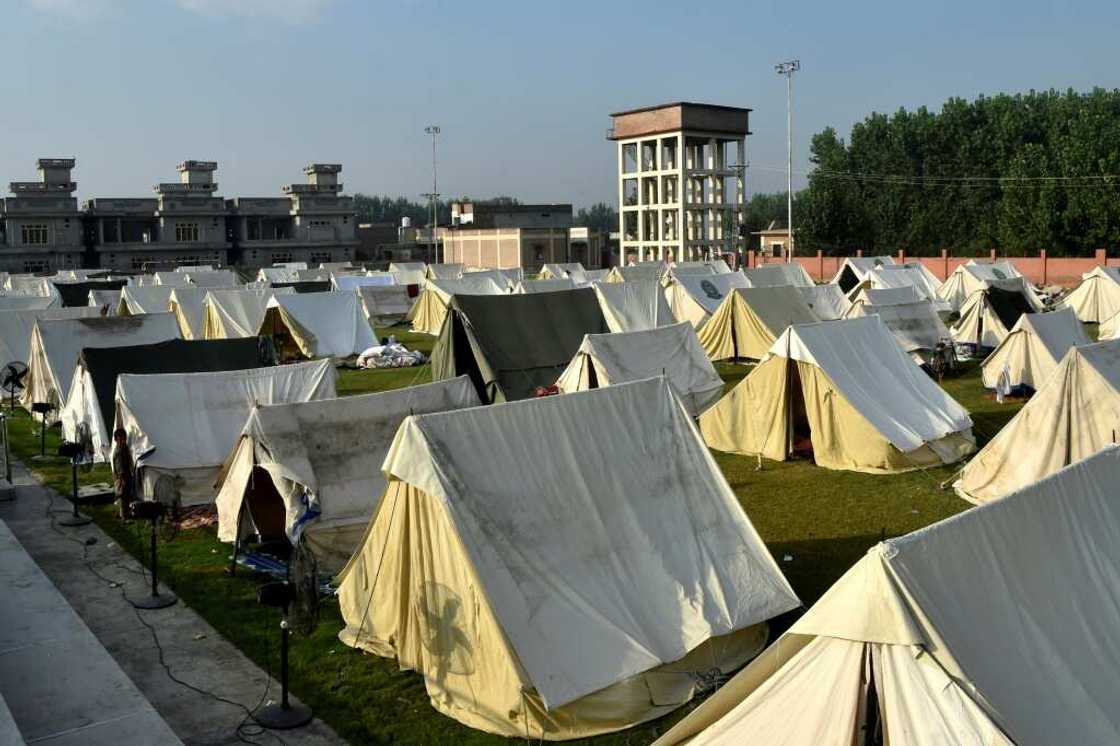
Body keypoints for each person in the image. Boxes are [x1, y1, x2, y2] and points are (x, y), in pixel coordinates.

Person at [111, 428, 136, 521]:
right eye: (120, 438)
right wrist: (122, 479)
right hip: (121, 476)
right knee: (122, 495)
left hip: (127, 474)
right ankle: (123, 517)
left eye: (123, 438)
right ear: (116, 440)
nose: (122, 440)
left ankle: (125, 513)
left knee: (126, 495)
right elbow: (119, 466)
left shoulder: (124, 448)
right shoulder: (118, 451)